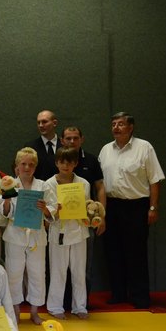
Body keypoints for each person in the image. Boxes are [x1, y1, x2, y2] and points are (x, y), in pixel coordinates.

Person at [98, 112, 164, 309]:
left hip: (136, 206)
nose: (116, 127)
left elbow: (155, 180)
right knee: (113, 251)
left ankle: (140, 296)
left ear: (131, 127)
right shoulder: (105, 150)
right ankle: (118, 293)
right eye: (113, 124)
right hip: (112, 206)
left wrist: (153, 207)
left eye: (121, 124)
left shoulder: (144, 148)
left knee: (136, 253)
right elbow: (100, 183)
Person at [0, 147, 57, 325]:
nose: (27, 168)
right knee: (14, 273)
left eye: (31, 164)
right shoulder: (10, 183)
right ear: (17, 166)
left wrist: (45, 209)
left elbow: (53, 211)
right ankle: (15, 311)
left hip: (36, 236)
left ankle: (34, 311)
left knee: (38, 273)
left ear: (35, 166)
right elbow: (4, 212)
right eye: (23, 164)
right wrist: (7, 198)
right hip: (14, 235)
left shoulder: (44, 185)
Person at [61, 126, 106, 304]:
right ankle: (63, 302)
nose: (72, 141)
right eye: (68, 138)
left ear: (82, 139)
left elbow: (100, 188)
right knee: (61, 267)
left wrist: (101, 216)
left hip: (85, 222)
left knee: (84, 266)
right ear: (62, 140)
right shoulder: (55, 160)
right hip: (62, 224)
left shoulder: (92, 160)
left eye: (75, 138)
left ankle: (82, 303)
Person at [45, 147, 90, 319]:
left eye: (70, 162)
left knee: (79, 271)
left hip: (79, 231)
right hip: (59, 231)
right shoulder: (49, 184)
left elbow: (87, 206)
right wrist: (55, 210)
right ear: (56, 163)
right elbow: (48, 212)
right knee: (58, 271)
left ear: (75, 164)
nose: (66, 165)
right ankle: (55, 307)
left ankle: (80, 307)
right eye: (62, 162)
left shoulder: (84, 183)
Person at [24, 110, 63, 181]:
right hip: (38, 189)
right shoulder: (30, 147)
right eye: (38, 122)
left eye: (44, 122)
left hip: (62, 188)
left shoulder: (64, 145)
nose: (41, 125)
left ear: (54, 123)